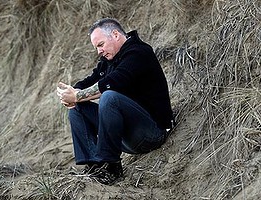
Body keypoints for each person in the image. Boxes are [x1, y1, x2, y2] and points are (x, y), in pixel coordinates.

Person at [57, 18, 174, 185]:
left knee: (109, 97)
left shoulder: (139, 53)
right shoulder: (109, 60)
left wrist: (77, 96)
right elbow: (90, 80)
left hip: (152, 133)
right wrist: (72, 92)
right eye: (97, 47)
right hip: (126, 135)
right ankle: (95, 166)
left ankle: (111, 167)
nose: (99, 51)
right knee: (77, 108)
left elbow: (113, 82)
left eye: (101, 44)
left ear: (115, 34)